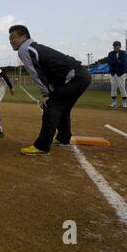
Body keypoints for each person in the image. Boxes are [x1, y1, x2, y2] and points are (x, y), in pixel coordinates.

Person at [9, 25, 91, 156]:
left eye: (13, 38)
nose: (11, 41)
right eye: (9, 39)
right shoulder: (34, 47)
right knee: (62, 108)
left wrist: (46, 94)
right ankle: (64, 138)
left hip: (74, 76)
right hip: (81, 75)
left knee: (51, 106)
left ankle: (42, 146)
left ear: (23, 37)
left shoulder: (25, 49)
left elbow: (36, 73)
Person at [107, 41, 127, 109]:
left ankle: (124, 103)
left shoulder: (123, 53)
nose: (115, 47)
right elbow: (110, 63)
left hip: (121, 73)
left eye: (116, 45)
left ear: (119, 46)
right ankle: (114, 103)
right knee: (113, 88)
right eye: (114, 45)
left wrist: (115, 62)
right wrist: (118, 61)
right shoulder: (110, 53)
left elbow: (123, 63)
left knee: (122, 87)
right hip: (113, 73)